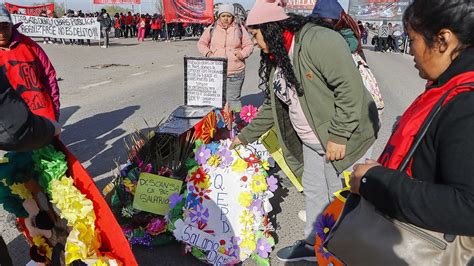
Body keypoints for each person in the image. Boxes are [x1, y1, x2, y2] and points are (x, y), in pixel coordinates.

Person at [231, 0, 379, 262]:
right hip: (313, 141)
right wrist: (243, 137)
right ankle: (314, 246)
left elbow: (350, 91)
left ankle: (343, 253)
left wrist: (339, 135)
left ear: (271, 27)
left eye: (255, 34)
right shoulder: (278, 55)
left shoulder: (317, 41)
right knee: (314, 191)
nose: (254, 42)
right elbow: (272, 107)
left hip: (341, 139)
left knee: (342, 198)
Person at [349, 0, 474, 259]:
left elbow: (466, 206)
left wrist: (376, 180)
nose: (412, 51)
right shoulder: (450, 86)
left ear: (442, 40)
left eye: (412, 38)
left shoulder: (466, 104)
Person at [0, 69, 60, 266]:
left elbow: (47, 75)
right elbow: (16, 129)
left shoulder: (28, 47)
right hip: (31, 130)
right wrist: (49, 128)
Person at [0, 6, 60, 122]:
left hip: (41, 115)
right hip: (9, 124)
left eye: (5, 26)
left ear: (11, 25)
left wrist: (55, 109)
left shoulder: (29, 45)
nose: (2, 33)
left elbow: (49, 77)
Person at [197, 3, 254, 110]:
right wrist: (209, 54)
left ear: (232, 16)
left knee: (233, 100)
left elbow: (249, 45)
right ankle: (219, 124)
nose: (226, 19)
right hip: (216, 72)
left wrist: (242, 54)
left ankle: (236, 124)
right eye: (223, 16)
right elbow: (201, 43)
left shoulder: (239, 29)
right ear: (219, 16)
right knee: (216, 100)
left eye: (228, 16)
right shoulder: (212, 28)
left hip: (236, 71)